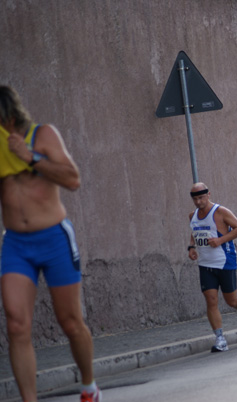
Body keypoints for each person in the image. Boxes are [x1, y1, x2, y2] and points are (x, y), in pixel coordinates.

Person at [0, 85, 101, 402]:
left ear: (11, 115)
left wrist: (30, 157)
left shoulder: (43, 135)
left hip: (54, 238)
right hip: (16, 243)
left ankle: (89, 386)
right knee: (17, 325)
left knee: (70, 323)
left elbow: (73, 179)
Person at [187, 182, 237, 352]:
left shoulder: (220, 212)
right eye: (195, 199)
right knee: (211, 300)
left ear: (208, 195)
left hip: (225, 262)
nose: (198, 202)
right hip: (205, 264)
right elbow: (195, 233)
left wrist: (220, 240)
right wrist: (191, 247)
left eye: (201, 197)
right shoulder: (192, 215)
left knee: (231, 300)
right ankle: (220, 338)